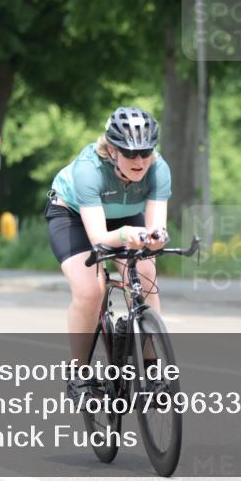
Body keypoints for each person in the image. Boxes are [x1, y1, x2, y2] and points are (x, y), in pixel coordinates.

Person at [45, 106, 170, 398]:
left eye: (146, 152)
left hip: (125, 217)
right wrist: (128, 235)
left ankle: (152, 371)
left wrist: (155, 237)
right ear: (112, 151)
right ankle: (78, 374)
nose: (139, 161)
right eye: (129, 153)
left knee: (146, 272)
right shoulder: (88, 170)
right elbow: (99, 237)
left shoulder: (159, 169)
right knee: (90, 289)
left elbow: (156, 229)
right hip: (74, 216)